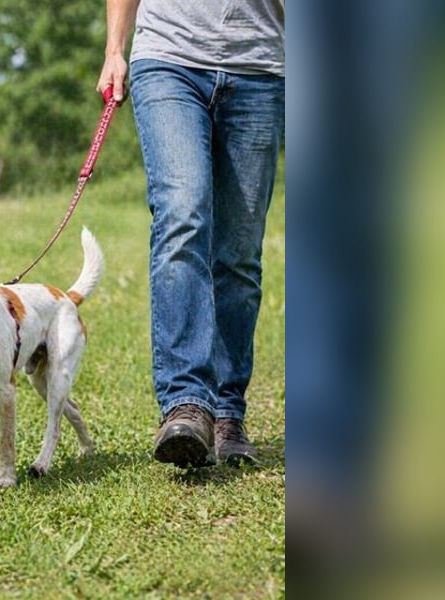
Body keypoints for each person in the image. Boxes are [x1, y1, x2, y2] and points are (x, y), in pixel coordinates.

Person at [97, 0, 285, 467]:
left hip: (260, 67)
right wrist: (115, 48)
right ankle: (186, 403)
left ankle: (226, 412)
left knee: (239, 253)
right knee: (182, 214)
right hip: (168, 57)